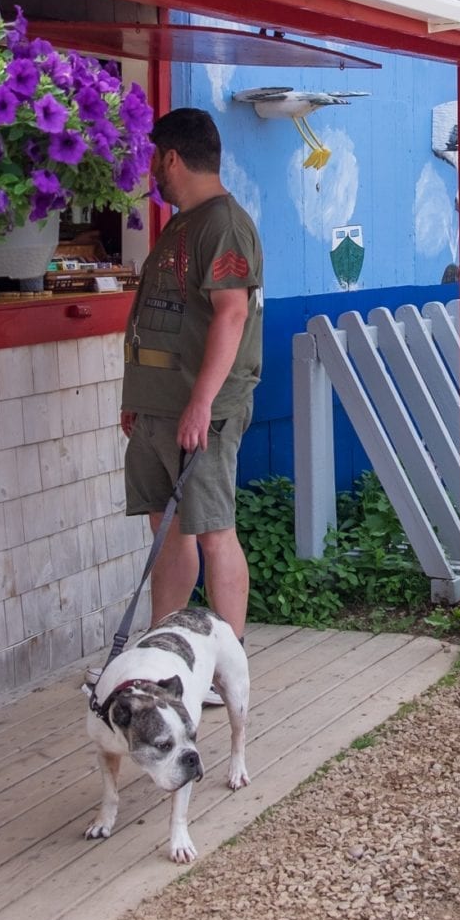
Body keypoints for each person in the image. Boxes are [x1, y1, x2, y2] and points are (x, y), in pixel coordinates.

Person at [120, 108, 263, 685]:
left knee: (213, 529)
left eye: (154, 157)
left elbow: (231, 314)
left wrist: (201, 403)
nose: (151, 168)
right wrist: (139, 395)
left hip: (201, 411)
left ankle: (229, 668)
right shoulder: (183, 222)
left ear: (170, 158)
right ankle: (164, 659)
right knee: (169, 531)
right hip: (159, 408)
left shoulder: (223, 223)